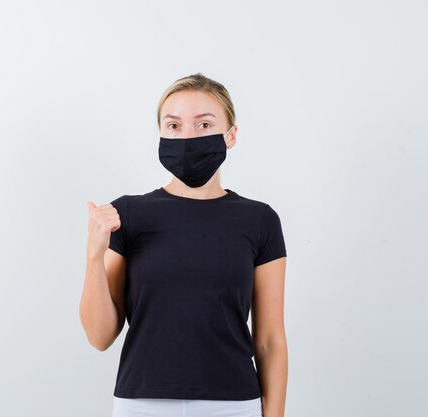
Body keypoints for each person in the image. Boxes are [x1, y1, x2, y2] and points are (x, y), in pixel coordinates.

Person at [79, 73, 288, 417]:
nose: (187, 137)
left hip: (234, 405)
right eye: (173, 126)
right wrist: (93, 255)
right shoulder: (127, 214)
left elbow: (269, 341)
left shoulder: (260, 220)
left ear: (231, 135)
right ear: (160, 134)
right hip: (141, 404)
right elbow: (100, 337)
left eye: (204, 125)